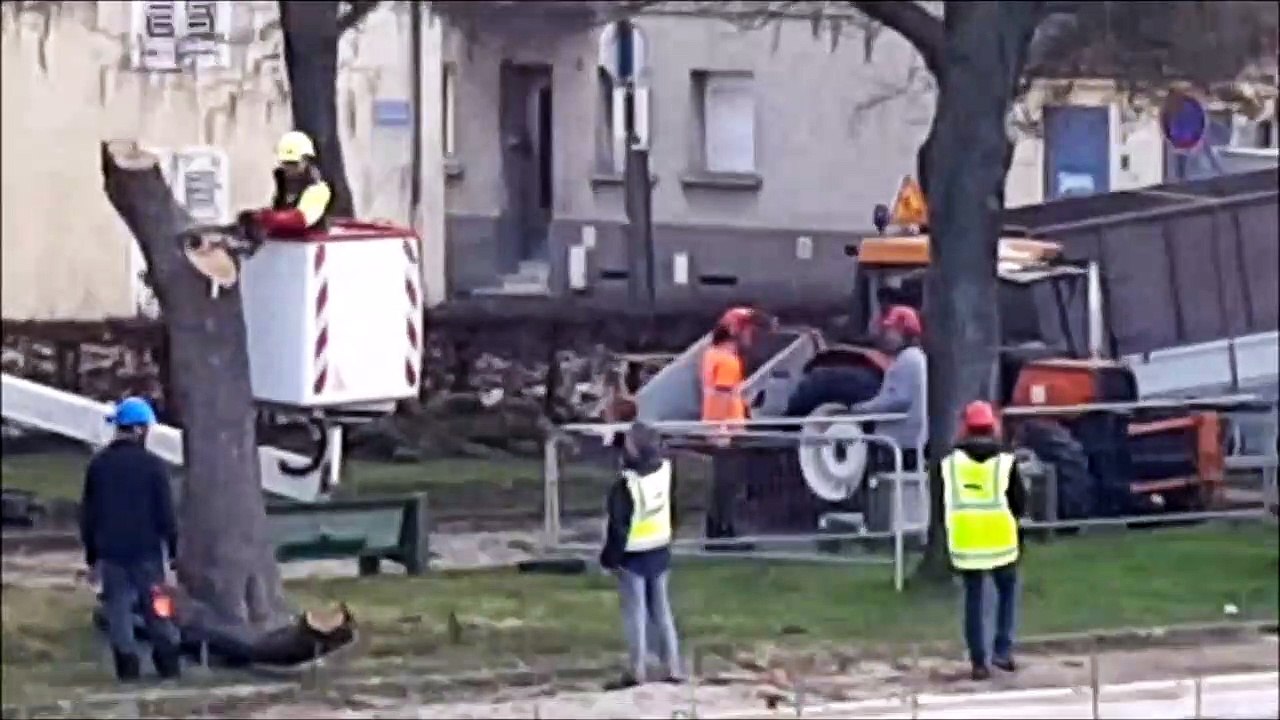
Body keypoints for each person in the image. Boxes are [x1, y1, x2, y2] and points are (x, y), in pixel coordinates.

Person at [80, 397, 182, 682]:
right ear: (138, 430)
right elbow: (166, 513)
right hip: (148, 555)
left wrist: (92, 557)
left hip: (111, 555)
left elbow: (88, 515)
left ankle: (128, 674)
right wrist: (174, 552)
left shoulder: (98, 465)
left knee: (119, 617)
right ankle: (169, 668)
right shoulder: (154, 466)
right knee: (159, 612)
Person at [940, 400, 1028, 681]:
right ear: (993, 427)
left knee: (974, 600)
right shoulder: (1006, 462)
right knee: (1007, 592)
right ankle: (1002, 650)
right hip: (1002, 542)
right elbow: (1019, 503)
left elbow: (942, 502)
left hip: (966, 543)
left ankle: (979, 661)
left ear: (965, 428)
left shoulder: (950, 465)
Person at [599, 421, 684, 689]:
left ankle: (637, 670)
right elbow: (672, 508)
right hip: (659, 548)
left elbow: (618, 528)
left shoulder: (625, 485)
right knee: (662, 610)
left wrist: (608, 559)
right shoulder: (665, 471)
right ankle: (673, 666)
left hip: (633, 555)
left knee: (635, 614)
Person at [849, 304, 929, 472]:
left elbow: (897, 399)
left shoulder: (908, 359)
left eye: (891, 330)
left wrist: (861, 409)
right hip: (906, 440)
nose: (886, 335)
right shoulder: (913, 357)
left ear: (905, 332)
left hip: (900, 441)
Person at [238, 130, 333, 243]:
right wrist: (255, 218)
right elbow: (279, 211)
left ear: (306, 160)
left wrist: (267, 217)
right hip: (285, 243)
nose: (289, 168)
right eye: (286, 163)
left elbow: (301, 219)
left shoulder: (319, 188)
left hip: (310, 244)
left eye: (294, 163)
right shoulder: (282, 181)